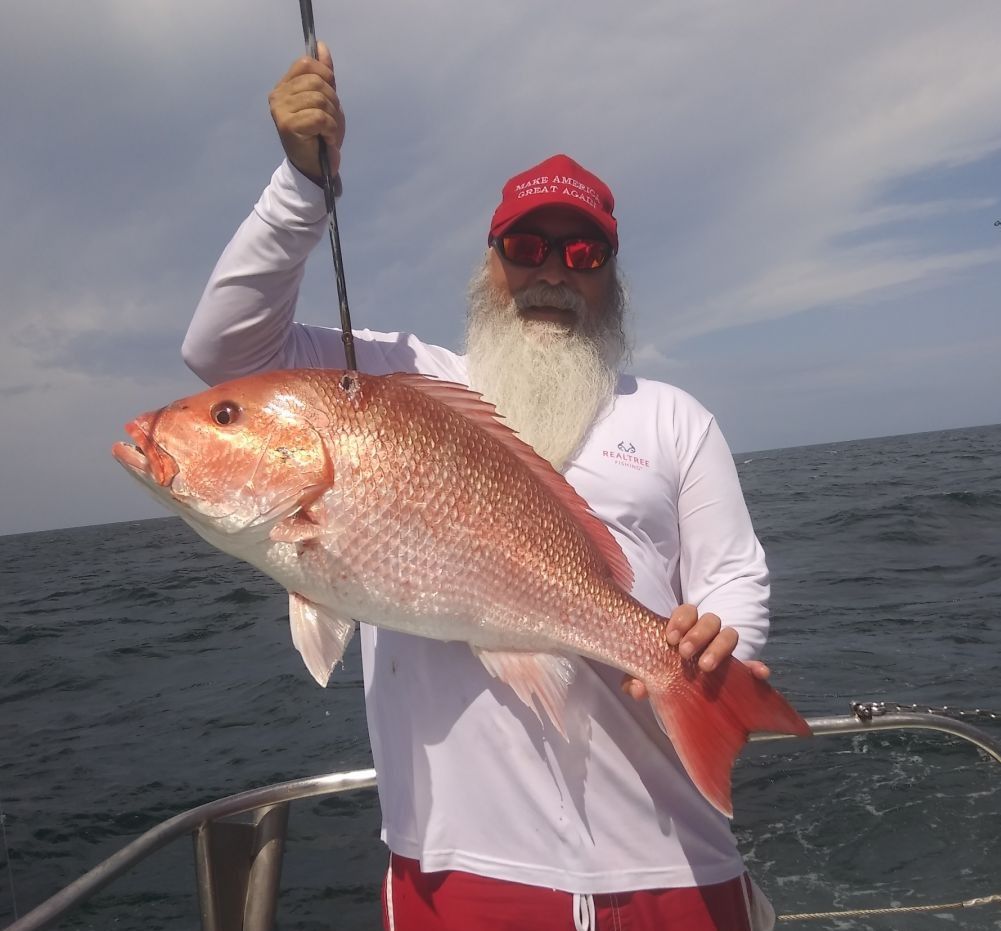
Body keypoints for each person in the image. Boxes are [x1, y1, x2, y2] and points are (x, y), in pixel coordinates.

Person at [183, 42, 778, 931]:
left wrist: (717, 635)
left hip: (674, 863)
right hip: (459, 870)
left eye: (584, 252)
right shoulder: (393, 384)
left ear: (612, 277)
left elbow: (734, 575)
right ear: (489, 262)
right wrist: (301, 189)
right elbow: (222, 352)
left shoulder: (673, 418)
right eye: (526, 247)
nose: (553, 272)